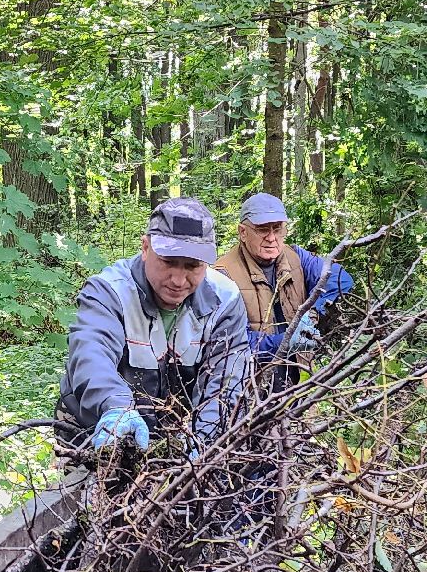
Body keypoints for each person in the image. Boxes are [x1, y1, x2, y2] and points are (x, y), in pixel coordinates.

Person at [57, 197, 250, 453]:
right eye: (169, 262)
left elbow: (226, 383)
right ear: (145, 248)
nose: (179, 280)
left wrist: (204, 442)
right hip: (95, 424)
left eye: (193, 266)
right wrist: (115, 406)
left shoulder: (224, 300)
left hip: (175, 434)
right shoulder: (110, 291)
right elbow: (91, 355)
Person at [215, 192, 355, 390]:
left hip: (299, 379)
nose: (271, 238)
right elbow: (230, 343)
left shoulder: (295, 257)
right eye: (262, 230)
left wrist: (313, 313)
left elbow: (341, 279)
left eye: (277, 229)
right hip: (247, 386)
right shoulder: (223, 275)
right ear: (243, 232)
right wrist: (284, 342)